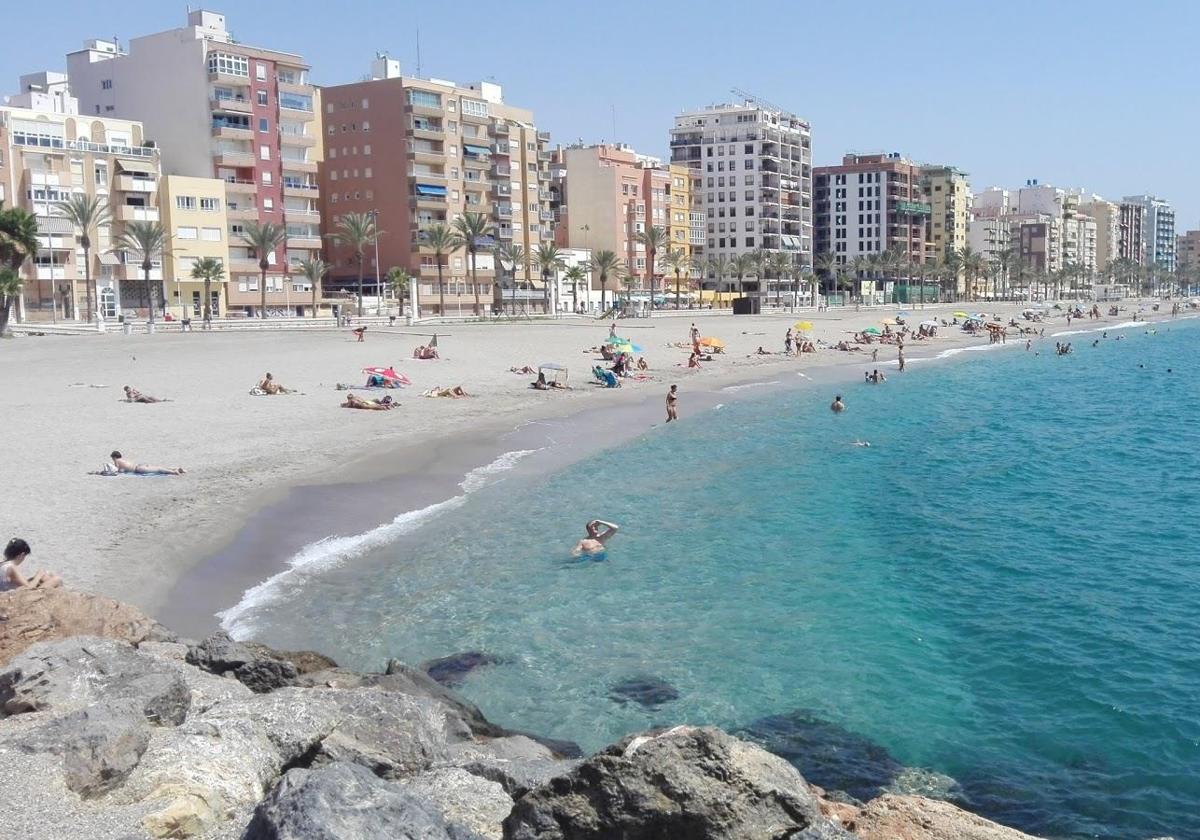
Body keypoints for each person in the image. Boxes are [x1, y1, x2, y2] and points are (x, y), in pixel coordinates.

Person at [110, 451, 185, 475]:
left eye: (112, 458)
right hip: (139, 465)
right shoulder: (124, 460)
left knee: (158, 470)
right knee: (157, 467)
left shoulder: (117, 461)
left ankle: (174, 472)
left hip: (139, 469)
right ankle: (176, 468)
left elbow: (116, 470)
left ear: (114, 457)